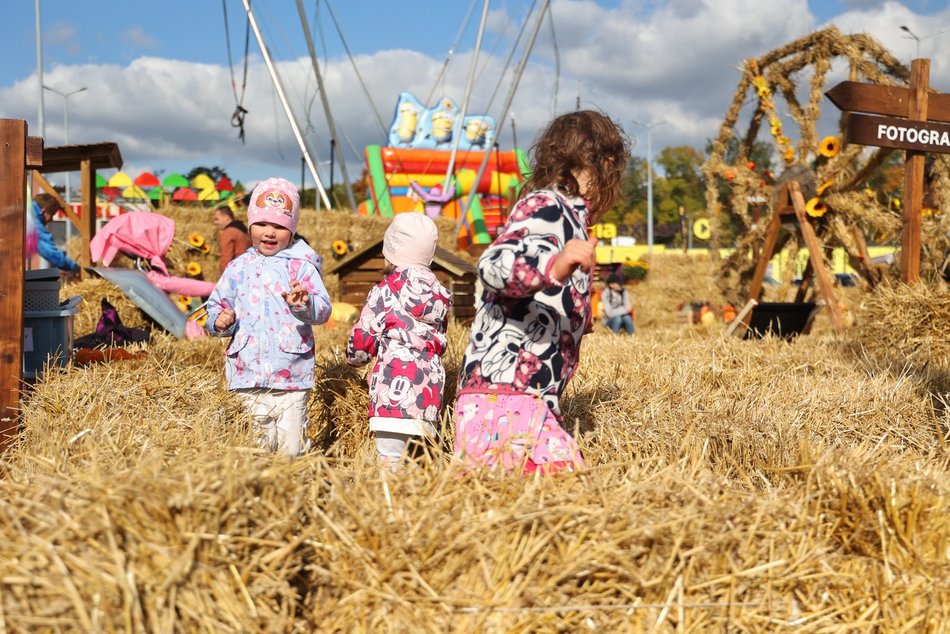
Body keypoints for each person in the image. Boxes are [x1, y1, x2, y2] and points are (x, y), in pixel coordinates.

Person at [454, 110, 630, 475]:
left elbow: (540, 289)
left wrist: (576, 316)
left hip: (529, 396)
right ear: (607, 164)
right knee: (564, 493)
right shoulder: (546, 205)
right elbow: (494, 266)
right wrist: (555, 267)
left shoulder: (572, 219)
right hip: (504, 391)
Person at [205, 177, 332, 457]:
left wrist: (304, 304)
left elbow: (323, 309)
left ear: (292, 229)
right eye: (262, 224)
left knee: (291, 448)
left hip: (291, 374)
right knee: (255, 449)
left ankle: (293, 490)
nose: (269, 232)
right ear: (249, 224)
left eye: (279, 226)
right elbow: (215, 305)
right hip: (247, 375)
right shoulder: (238, 268)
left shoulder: (302, 267)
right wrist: (218, 321)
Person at [345, 213, 452, 468]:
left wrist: (353, 358)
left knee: (390, 464)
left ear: (391, 252)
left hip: (393, 391)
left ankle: (390, 505)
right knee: (416, 465)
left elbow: (364, 336)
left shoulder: (385, 290)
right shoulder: (441, 296)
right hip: (427, 395)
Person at [30, 193, 81, 274]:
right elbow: (51, 253)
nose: (51, 219)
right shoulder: (33, 222)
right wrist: (75, 267)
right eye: (52, 214)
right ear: (44, 211)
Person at [212, 207, 253, 274]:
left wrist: (224, 278)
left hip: (236, 273)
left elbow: (226, 258)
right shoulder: (243, 230)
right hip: (248, 270)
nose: (215, 222)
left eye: (217, 219)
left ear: (226, 217)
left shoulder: (228, 232)